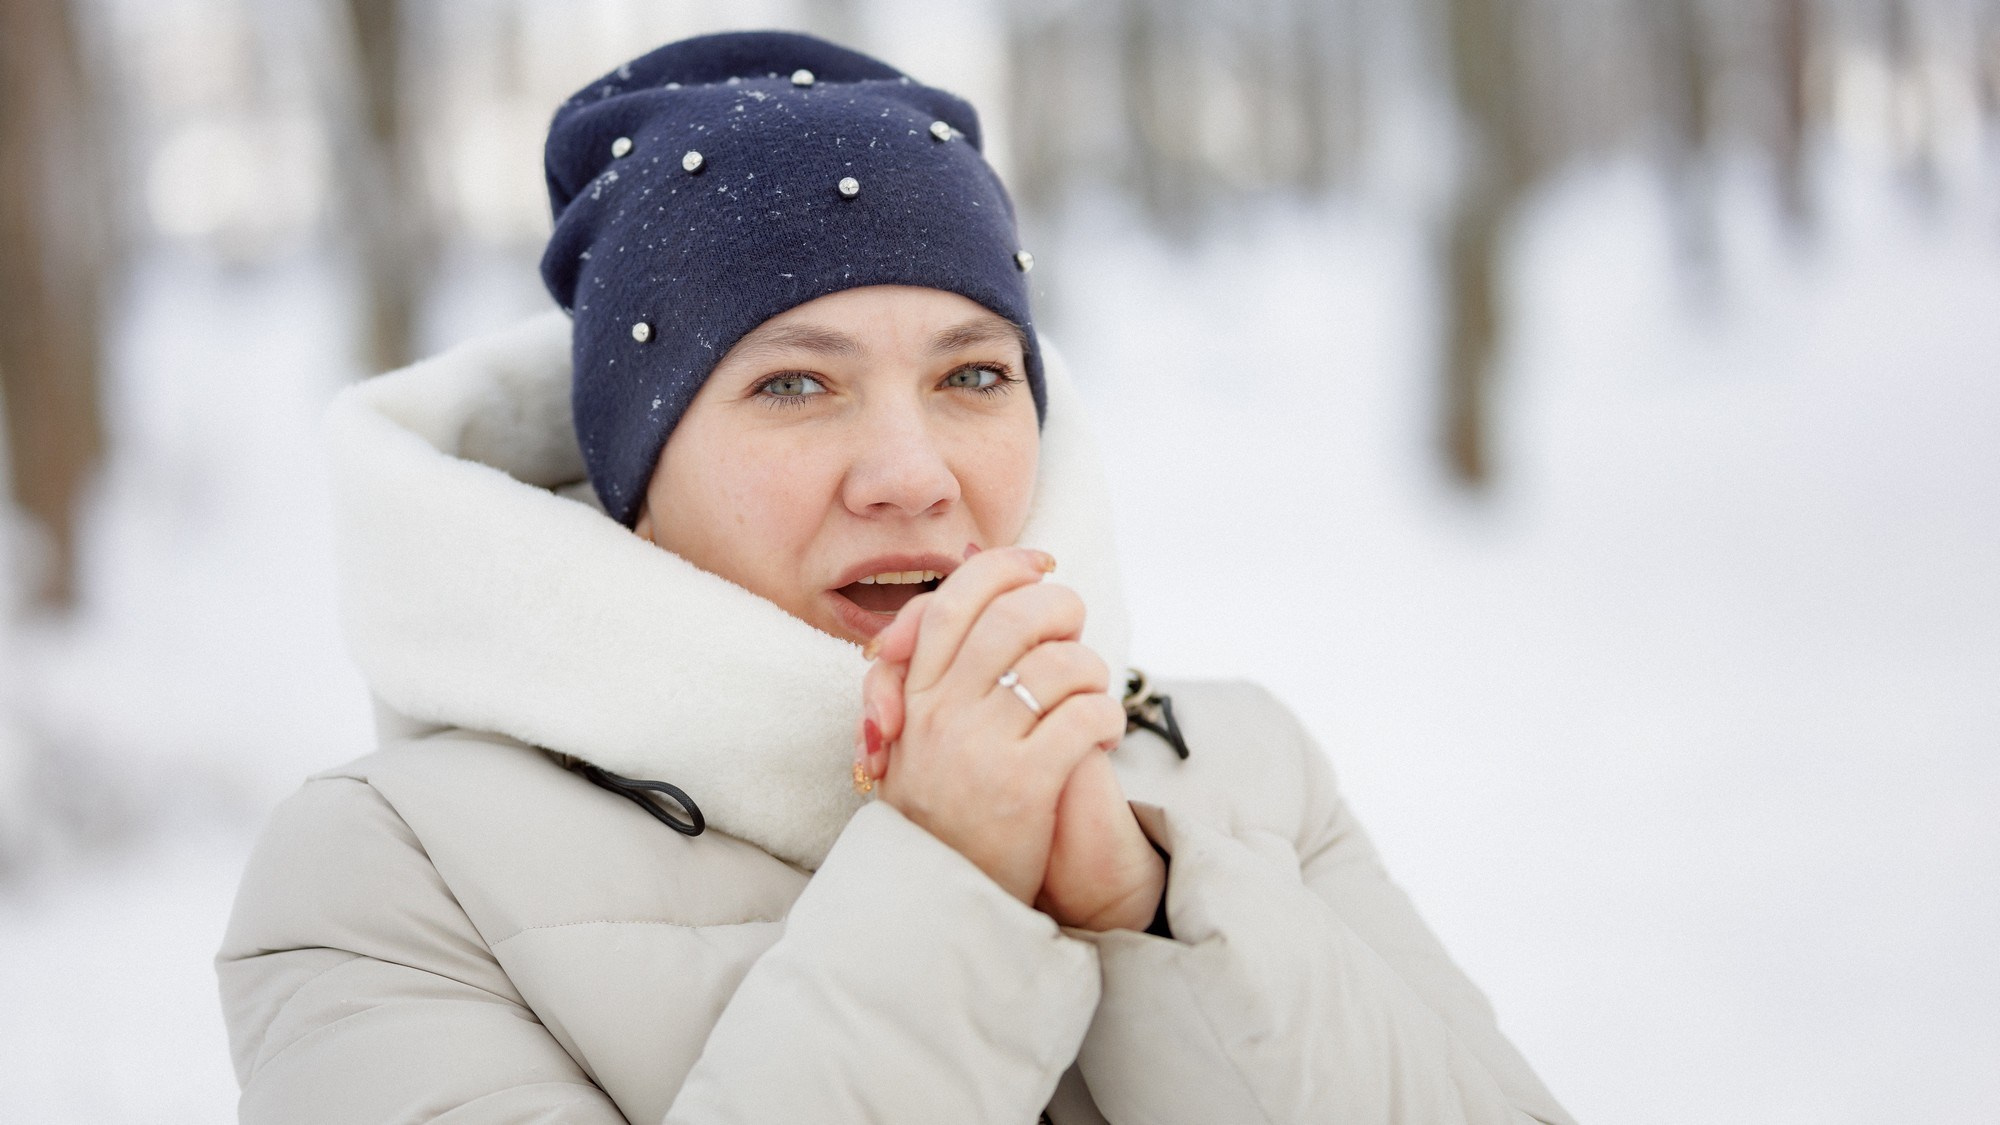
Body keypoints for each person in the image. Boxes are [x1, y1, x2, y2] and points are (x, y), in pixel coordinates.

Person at [217, 30, 1573, 1124]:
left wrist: (1145, 907)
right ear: (633, 465)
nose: (911, 473)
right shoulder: (391, 873)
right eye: (795, 383)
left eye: (973, 374)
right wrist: (953, 881)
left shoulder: (1236, 771)